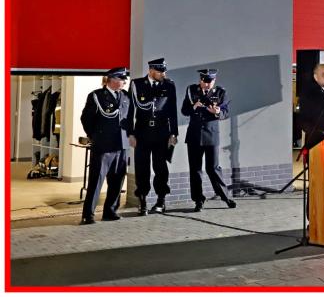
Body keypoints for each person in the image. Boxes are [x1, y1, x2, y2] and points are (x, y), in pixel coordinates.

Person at [79, 67, 133, 225]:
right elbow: (86, 119)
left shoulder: (125, 96)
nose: (124, 82)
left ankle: (110, 211)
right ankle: (88, 214)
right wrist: (95, 136)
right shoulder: (97, 96)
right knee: (96, 181)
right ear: (112, 79)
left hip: (121, 145)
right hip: (103, 145)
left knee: (117, 180)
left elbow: (129, 119)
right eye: (122, 79)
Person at [181, 69, 236, 212]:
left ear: (214, 80)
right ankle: (198, 200)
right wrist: (194, 107)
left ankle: (225, 197)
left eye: (210, 82)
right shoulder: (191, 90)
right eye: (204, 81)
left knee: (213, 168)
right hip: (194, 135)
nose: (207, 84)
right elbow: (184, 110)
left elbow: (225, 112)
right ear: (200, 80)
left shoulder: (220, 92)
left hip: (211, 134)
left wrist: (217, 112)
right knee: (195, 170)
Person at [129, 57, 178, 215]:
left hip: (161, 133)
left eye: (164, 71)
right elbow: (130, 111)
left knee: (160, 168)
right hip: (142, 133)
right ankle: (142, 201)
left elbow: (173, 111)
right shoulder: (137, 84)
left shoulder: (169, 85)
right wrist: (130, 133)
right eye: (160, 71)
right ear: (151, 71)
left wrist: (173, 133)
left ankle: (161, 200)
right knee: (142, 168)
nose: (163, 74)